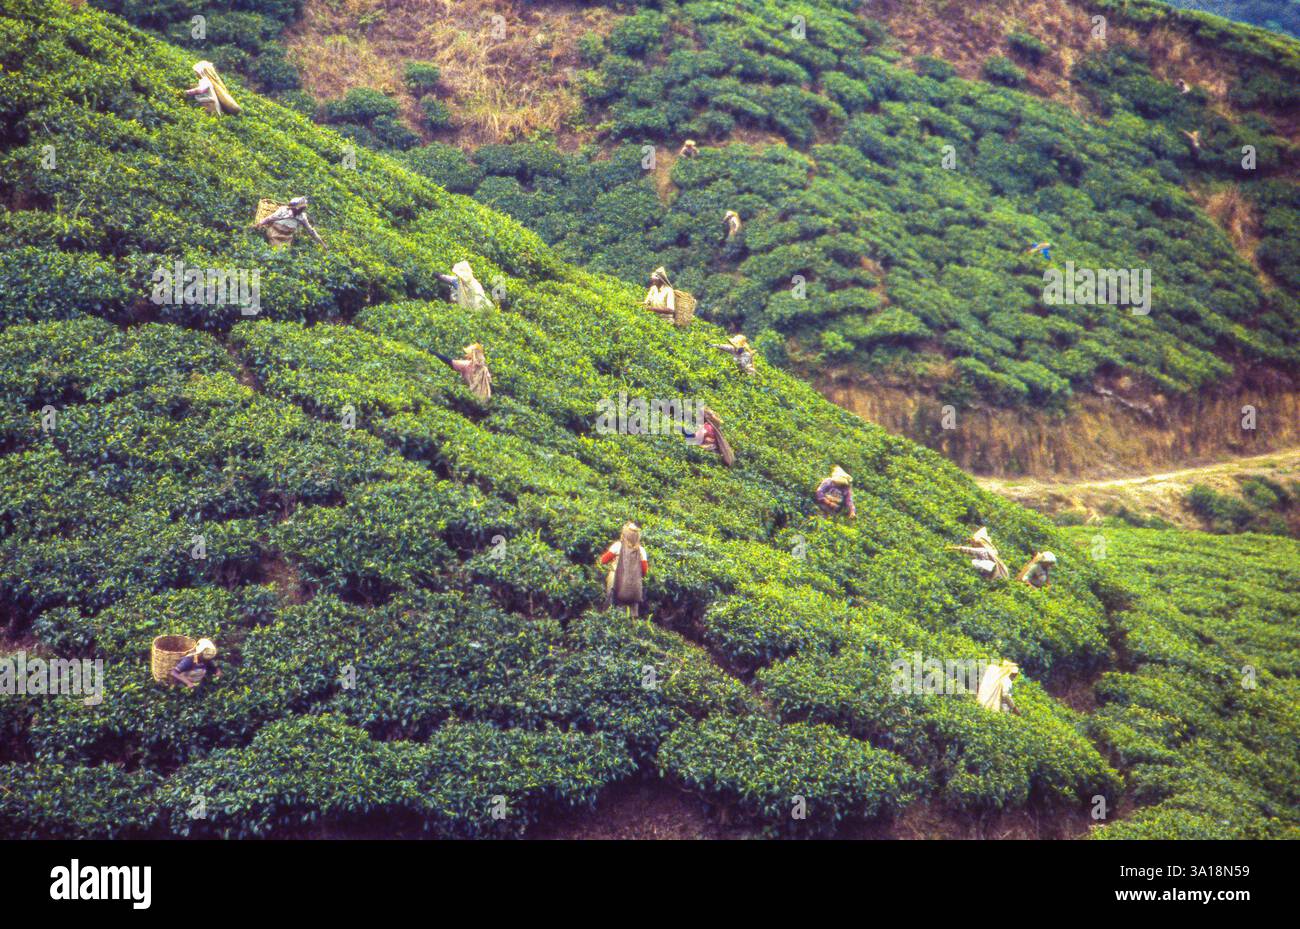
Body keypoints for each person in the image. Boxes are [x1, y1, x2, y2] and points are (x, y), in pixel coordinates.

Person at [600, 523, 648, 617]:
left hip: (615, 580)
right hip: (633, 584)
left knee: (611, 607)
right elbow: (644, 570)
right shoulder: (641, 550)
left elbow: (603, 560)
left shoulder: (618, 546)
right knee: (631, 614)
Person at [255, 197, 325, 249]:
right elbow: (270, 218)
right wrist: (260, 223)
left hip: (287, 237)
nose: (299, 210)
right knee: (276, 251)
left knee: (284, 253)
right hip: (275, 233)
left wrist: (322, 242)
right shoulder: (283, 210)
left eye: (302, 209)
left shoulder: (302, 217)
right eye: (298, 208)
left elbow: (311, 231)